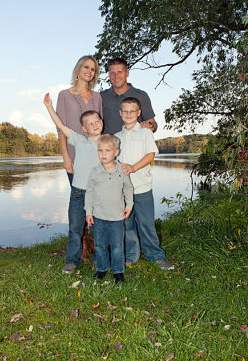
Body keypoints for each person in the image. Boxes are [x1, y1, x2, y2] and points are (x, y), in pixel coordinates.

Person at [44, 93, 103, 274]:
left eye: (97, 121)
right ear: (84, 129)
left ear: (102, 122)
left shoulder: (110, 141)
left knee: (99, 229)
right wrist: (48, 107)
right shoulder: (80, 139)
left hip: (100, 193)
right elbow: (61, 126)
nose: (94, 125)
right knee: (75, 228)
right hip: (79, 192)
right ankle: (72, 260)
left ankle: (99, 259)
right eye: (89, 124)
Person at [116, 97, 174, 270]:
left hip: (142, 187)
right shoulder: (115, 137)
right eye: (125, 111)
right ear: (120, 113)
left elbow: (150, 156)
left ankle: (155, 255)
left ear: (138, 113)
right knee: (127, 225)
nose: (128, 114)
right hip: (123, 191)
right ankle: (132, 255)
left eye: (132, 111)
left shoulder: (145, 132)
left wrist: (133, 167)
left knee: (146, 223)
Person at [56, 55, 102, 259]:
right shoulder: (64, 95)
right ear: (78, 69)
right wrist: (66, 156)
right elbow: (60, 129)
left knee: (97, 200)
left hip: (96, 159)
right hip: (75, 157)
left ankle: (95, 243)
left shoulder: (97, 97)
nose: (89, 71)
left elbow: (99, 127)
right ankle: (81, 244)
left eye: (93, 69)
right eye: (86, 67)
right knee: (78, 202)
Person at [85, 134, 133, 284]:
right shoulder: (95, 171)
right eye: (100, 150)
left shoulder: (122, 170)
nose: (103, 154)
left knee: (118, 246)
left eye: (107, 151)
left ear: (116, 152)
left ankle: (118, 272)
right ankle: (102, 268)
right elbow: (90, 192)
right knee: (100, 245)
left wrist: (129, 206)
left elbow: (128, 189)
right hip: (98, 216)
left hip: (117, 217)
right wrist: (88, 212)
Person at [100, 57, 157, 134]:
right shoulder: (101, 97)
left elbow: (153, 124)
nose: (116, 76)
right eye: (112, 73)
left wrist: (150, 126)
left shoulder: (141, 96)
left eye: (120, 72)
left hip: (135, 145)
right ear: (109, 75)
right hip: (108, 145)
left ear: (127, 73)